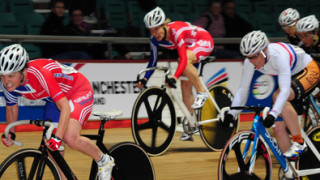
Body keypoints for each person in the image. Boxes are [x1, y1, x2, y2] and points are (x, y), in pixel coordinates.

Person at [0, 44, 114, 180]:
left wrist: (58, 137)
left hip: (78, 91)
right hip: (54, 100)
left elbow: (65, 107)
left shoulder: (40, 73)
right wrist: (11, 133)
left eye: (11, 76)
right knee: (52, 148)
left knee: (69, 137)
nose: (6, 82)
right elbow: (12, 107)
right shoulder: (8, 83)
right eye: (2, 76)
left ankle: (104, 160)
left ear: (23, 70)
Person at [221, 31, 320, 159]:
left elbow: (284, 91)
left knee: (277, 97)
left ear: (265, 49)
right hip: (291, 73)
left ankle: (299, 142)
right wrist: (232, 113)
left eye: (256, 56)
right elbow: (243, 89)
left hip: (308, 70)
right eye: (249, 57)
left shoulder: (278, 56)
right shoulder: (250, 61)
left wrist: (273, 114)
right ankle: (291, 170)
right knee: (278, 127)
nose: (253, 61)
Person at [136, 7, 214, 141]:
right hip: (190, 48)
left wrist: (174, 77)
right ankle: (191, 124)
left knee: (182, 61)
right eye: (151, 30)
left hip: (203, 40)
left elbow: (183, 59)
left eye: (157, 29)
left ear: (165, 24)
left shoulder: (176, 31)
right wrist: (144, 80)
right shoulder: (154, 39)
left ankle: (202, 93)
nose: (155, 33)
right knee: (185, 85)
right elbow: (152, 62)